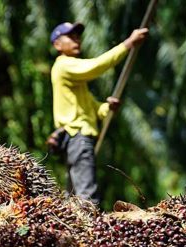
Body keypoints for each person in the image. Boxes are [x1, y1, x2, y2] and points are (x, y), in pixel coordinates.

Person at [50, 22, 148, 204]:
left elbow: (93, 108)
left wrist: (107, 108)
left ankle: (71, 229)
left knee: (73, 197)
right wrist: (128, 44)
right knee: (87, 197)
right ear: (57, 45)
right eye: (70, 37)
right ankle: (89, 231)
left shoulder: (74, 79)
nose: (76, 40)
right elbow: (95, 67)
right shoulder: (64, 66)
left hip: (74, 140)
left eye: (77, 36)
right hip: (77, 137)